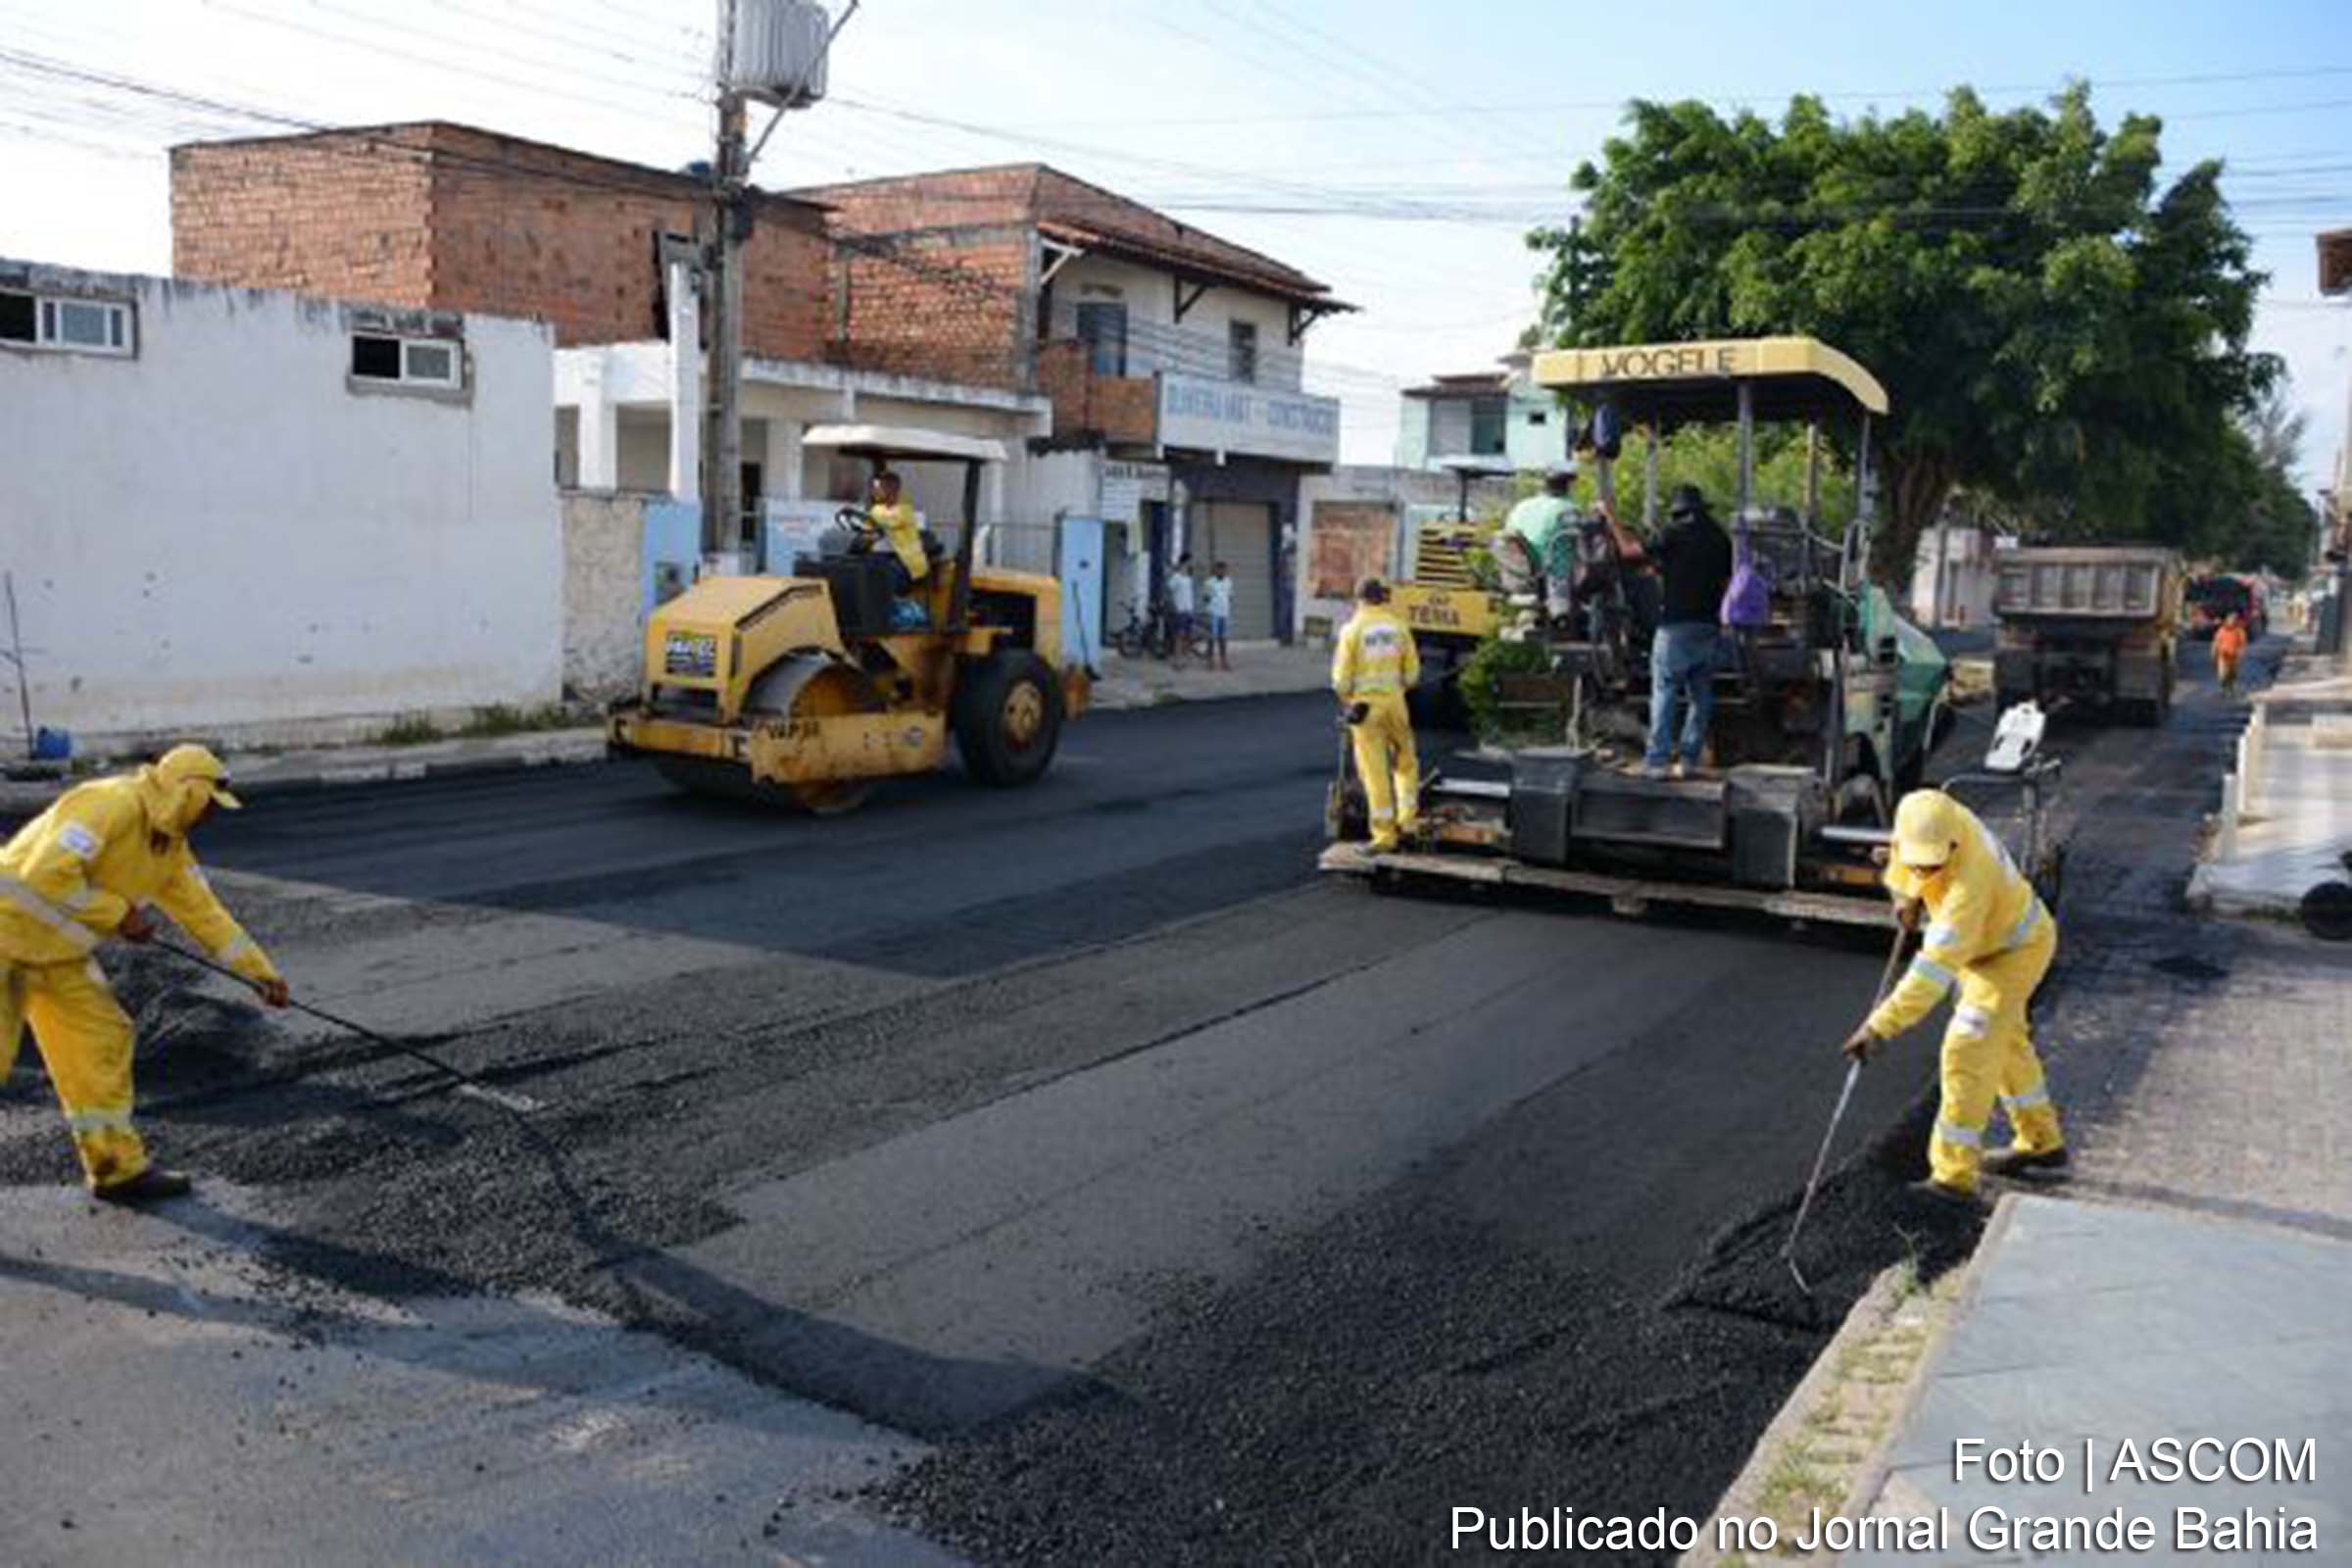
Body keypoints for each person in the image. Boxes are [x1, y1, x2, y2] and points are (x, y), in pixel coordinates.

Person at [1, 744, 289, 1203]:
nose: (209, 817)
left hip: (55, 957)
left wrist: (260, 973)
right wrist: (118, 914)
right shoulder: (111, 803)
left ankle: (116, 1169)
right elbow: (43, 876)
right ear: (187, 791)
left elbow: (206, 915)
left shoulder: (169, 849)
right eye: (208, 805)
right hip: (5, 939)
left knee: (103, 1039)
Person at [1842, 788, 2067, 1204]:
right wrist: (1903, 899)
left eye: (1935, 863)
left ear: (1953, 844)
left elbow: (1932, 973)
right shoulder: (1924, 820)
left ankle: (1953, 1177)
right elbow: (1905, 868)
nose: (1926, 869)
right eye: (1918, 862)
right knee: (2007, 1043)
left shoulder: (1970, 884)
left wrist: (1879, 1027)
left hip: (2013, 951)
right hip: (1982, 948)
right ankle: (2042, 1141)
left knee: (1967, 1046)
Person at [1640, 485, 1734, 779]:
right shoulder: (1721, 539)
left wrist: (1611, 519)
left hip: (1676, 625)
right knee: (1700, 693)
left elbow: (1635, 551)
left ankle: (1657, 761)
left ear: (1679, 511)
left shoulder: (1673, 533)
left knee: (1665, 689)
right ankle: (1689, 759)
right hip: (1708, 625)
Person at [1332, 578, 1421, 854]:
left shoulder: (1352, 630)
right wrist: (1396, 689)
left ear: (1359, 600)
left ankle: (1384, 836)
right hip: (1395, 703)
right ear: (1382, 598)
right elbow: (1412, 676)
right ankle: (1408, 822)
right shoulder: (1399, 627)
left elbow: (1341, 682)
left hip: (1366, 709)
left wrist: (1349, 704)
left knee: (1374, 772)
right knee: (1406, 762)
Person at [866, 471, 927, 594]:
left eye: (879, 488)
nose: (874, 491)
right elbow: (867, 529)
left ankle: (884, 604)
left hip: (907, 562)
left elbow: (890, 520)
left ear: (891, 489)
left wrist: (872, 517)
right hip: (884, 556)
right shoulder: (878, 509)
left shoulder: (905, 508)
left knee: (884, 576)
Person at [1165, 555, 1198, 667]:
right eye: (1190, 562)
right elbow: (1169, 591)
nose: (1192, 564)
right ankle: (1177, 660)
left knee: (1189, 636)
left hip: (1189, 610)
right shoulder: (1176, 577)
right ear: (1185, 562)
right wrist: (1173, 606)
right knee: (1179, 636)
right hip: (1180, 610)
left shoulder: (1188, 578)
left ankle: (1185, 658)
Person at [1204, 561, 1235, 671]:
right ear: (1215, 570)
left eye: (1224, 570)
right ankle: (1210, 661)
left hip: (1225, 613)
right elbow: (1206, 598)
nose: (1222, 572)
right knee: (1212, 637)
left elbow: (1230, 597)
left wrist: (1225, 605)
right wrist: (1213, 605)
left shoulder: (1228, 582)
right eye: (1219, 569)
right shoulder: (1209, 582)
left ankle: (1223, 660)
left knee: (1223, 638)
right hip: (1214, 613)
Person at [2213, 610, 2248, 698]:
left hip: (2234, 656)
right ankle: (2223, 689)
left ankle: (2231, 689)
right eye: (2230, 619)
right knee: (2222, 674)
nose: (2232, 621)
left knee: (2232, 674)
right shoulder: (2221, 630)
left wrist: (2241, 654)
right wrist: (2214, 653)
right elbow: (2216, 642)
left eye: (2234, 619)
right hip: (2223, 656)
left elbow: (2242, 643)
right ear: (2227, 620)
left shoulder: (2239, 631)